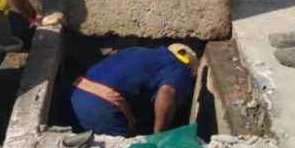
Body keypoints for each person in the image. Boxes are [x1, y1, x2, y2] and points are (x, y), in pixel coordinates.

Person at [67, 44, 198, 136]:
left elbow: (114, 57)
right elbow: (167, 92)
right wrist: (159, 136)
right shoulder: (180, 69)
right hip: (100, 109)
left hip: (75, 95)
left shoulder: (136, 50)